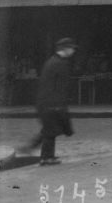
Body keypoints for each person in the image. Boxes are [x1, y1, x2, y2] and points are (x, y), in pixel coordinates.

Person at [20, 37, 78, 165]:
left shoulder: (53, 61)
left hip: (47, 101)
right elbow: (57, 86)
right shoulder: (60, 63)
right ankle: (46, 158)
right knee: (51, 130)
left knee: (50, 129)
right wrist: (57, 104)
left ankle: (34, 150)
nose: (73, 51)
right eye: (72, 48)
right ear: (66, 49)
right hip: (51, 103)